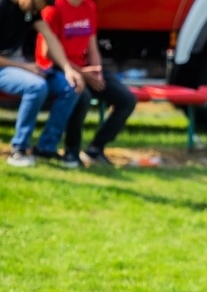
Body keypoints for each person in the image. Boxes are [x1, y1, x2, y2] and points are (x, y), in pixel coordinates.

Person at [0, 0, 84, 167]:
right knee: (36, 86)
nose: (39, 10)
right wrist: (24, 67)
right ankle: (18, 149)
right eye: (39, 5)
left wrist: (68, 69)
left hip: (20, 67)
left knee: (70, 86)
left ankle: (46, 148)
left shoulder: (31, 8)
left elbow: (50, 37)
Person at [36, 0, 137, 167]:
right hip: (58, 69)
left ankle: (95, 149)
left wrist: (97, 71)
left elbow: (92, 45)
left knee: (126, 99)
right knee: (83, 96)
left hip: (84, 69)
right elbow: (48, 53)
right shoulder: (53, 9)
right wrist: (81, 73)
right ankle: (71, 152)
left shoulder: (89, 6)